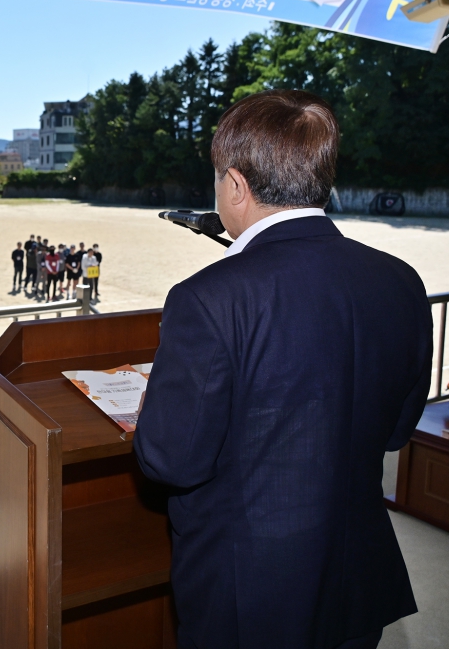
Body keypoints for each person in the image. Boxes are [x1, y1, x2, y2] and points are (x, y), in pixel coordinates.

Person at [133, 90, 433, 649]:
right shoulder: (401, 280)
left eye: (218, 180)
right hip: (355, 576)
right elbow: (394, 430)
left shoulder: (209, 298)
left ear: (237, 186)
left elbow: (170, 460)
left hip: (251, 595)